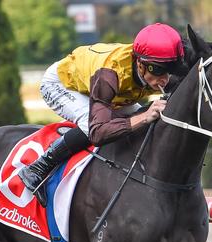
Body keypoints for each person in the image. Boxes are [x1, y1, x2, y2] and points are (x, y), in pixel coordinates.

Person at [19, 23, 184, 206]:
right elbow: (98, 133)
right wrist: (143, 117)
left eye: (171, 69)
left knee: (142, 115)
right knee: (91, 126)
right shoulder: (110, 73)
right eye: (158, 69)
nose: (165, 79)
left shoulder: (156, 67)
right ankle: (37, 168)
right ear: (140, 63)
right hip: (63, 84)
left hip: (108, 89)